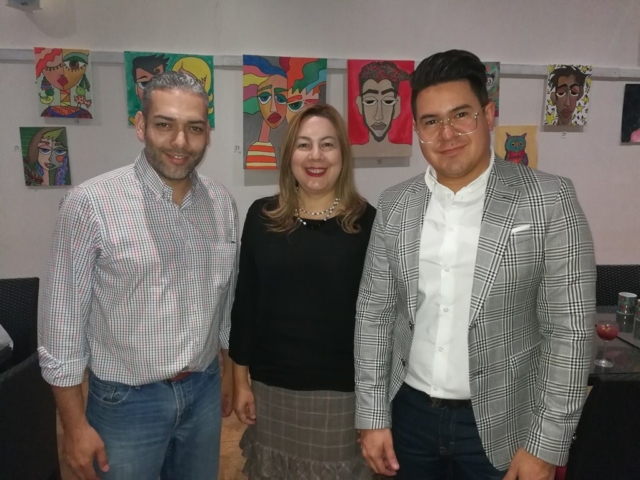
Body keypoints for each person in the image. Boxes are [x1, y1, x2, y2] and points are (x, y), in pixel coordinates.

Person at [354, 50, 596, 480]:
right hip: (409, 416)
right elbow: (374, 316)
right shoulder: (395, 205)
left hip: (505, 424)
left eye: (460, 115)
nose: (447, 133)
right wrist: (372, 416)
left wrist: (546, 445)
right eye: (431, 121)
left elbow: (570, 332)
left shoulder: (549, 200)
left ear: (487, 114)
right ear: (417, 130)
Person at [38, 71, 238, 480]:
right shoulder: (90, 204)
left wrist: (229, 372)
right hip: (126, 404)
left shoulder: (221, 203)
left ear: (207, 134)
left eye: (194, 128)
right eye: (165, 124)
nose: (180, 142)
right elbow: (62, 326)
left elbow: (227, 301)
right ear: (141, 126)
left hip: (203, 390)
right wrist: (74, 427)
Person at [230, 103, 376, 480]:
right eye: (304, 145)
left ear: (342, 154)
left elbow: (379, 320)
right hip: (270, 388)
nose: (315, 156)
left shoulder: (367, 222)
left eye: (327, 144)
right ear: (289, 154)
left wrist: (374, 407)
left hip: (341, 393)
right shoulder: (261, 216)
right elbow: (245, 305)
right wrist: (240, 380)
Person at [351, 61, 411, 158]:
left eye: (388, 101)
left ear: (397, 106)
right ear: (360, 105)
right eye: (369, 101)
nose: (379, 116)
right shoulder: (351, 151)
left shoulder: (406, 150)